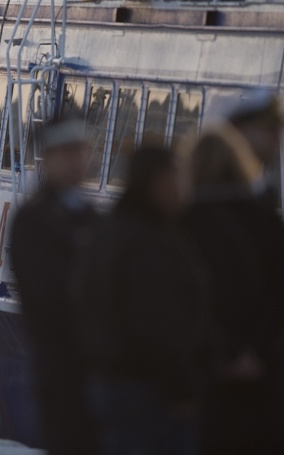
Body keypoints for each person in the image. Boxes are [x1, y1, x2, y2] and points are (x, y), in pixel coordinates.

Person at [74, 147, 211, 455]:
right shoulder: (150, 241)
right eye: (177, 176)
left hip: (111, 383)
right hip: (149, 392)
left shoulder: (107, 231)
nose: (183, 187)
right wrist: (183, 388)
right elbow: (156, 322)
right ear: (159, 182)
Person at [181, 94, 284, 455]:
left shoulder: (264, 213)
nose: (277, 140)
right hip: (211, 385)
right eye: (267, 131)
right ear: (236, 135)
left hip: (259, 384)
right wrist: (228, 354)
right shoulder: (199, 220)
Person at [8, 119, 100, 455]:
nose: (79, 160)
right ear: (49, 158)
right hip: (62, 359)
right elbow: (46, 294)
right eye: (68, 152)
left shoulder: (89, 215)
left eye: (82, 151)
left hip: (99, 363)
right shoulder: (33, 220)